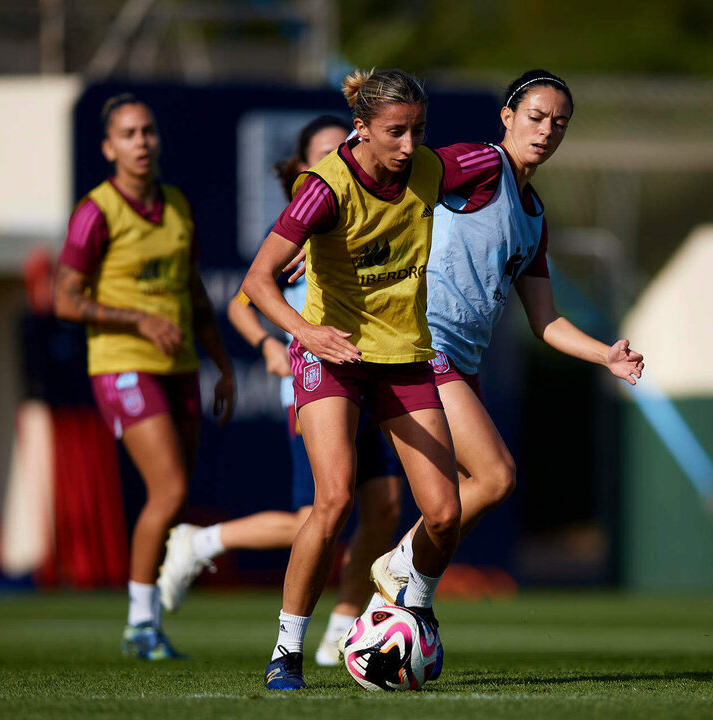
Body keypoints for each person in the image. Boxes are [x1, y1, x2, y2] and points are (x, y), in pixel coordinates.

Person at [244, 68, 487, 690]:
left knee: (443, 514)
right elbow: (256, 283)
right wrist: (307, 333)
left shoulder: (431, 168)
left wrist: (533, 129)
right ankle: (286, 651)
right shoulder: (323, 188)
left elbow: (504, 159)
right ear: (362, 129)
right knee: (335, 500)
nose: (410, 146)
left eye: (418, 130)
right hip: (331, 355)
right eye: (396, 132)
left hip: (403, 356)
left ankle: (412, 612)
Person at [367, 70, 644, 610]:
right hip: (422, 344)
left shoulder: (534, 215)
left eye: (559, 124)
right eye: (536, 117)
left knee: (456, 502)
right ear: (508, 117)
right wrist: (330, 240)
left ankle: (404, 601)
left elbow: (545, 320)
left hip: (461, 361)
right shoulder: (482, 163)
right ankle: (401, 574)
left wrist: (605, 354)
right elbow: (398, 172)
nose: (546, 131)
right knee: (494, 478)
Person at [156, 115, 403, 667]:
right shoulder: (305, 219)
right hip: (321, 382)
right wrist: (274, 346)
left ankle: (342, 629)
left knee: (383, 508)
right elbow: (244, 301)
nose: (340, 156)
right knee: (319, 513)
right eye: (324, 151)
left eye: (345, 146)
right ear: (299, 165)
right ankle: (202, 542)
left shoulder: (373, 210)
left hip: (375, 372)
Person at [54, 94, 234, 659]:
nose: (141, 142)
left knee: (173, 501)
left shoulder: (177, 204)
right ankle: (139, 625)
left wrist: (223, 363)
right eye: (129, 134)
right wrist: (136, 317)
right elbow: (64, 299)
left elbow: (195, 292)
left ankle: (146, 620)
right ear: (109, 147)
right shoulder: (97, 210)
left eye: (148, 131)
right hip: (121, 365)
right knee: (171, 489)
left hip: (178, 365)